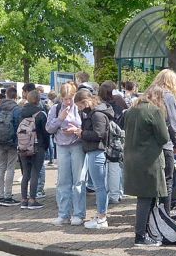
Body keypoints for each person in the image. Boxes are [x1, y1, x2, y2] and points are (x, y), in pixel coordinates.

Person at [123, 86, 170, 246]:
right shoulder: (154, 111)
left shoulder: (131, 110)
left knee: (144, 198)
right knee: (146, 198)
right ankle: (141, 236)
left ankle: (145, 233)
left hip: (132, 159)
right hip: (149, 160)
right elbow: (164, 137)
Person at [46, 82, 86, 226]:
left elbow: (85, 126)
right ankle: (63, 214)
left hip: (77, 145)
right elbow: (49, 128)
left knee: (78, 181)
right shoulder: (55, 109)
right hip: (61, 146)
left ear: (74, 95)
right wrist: (60, 119)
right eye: (65, 98)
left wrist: (76, 129)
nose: (67, 101)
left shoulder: (79, 108)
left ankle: (79, 214)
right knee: (63, 181)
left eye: (70, 98)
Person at [79, 89, 112, 229]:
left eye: (80, 106)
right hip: (95, 151)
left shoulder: (97, 115)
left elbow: (98, 134)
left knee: (99, 187)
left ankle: (102, 217)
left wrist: (81, 133)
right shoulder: (97, 113)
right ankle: (100, 216)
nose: (81, 109)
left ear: (86, 101)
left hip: (96, 151)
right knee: (100, 186)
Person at [149, 69, 176, 211]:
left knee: (151, 183)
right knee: (167, 181)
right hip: (165, 144)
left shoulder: (148, 95)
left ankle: (152, 216)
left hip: (149, 144)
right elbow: (173, 123)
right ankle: (165, 216)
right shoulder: (169, 97)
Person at [16, 89, 48, 210]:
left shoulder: (21, 112)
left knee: (26, 173)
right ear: (38, 100)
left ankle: (23, 199)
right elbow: (46, 133)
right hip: (37, 146)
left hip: (23, 146)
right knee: (35, 172)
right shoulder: (41, 114)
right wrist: (45, 147)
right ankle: (32, 200)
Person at [0, 86, 21, 207]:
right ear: (15, 96)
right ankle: (8, 196)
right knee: (10, 168)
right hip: (12, 142)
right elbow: (18, 126)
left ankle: (0, 195)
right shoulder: (17, 109)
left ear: (6, 95)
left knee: (1, 167)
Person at [99, 82, 124, 206]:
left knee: (105, 169)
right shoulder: (119, 104)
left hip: (104, 140)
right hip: (117, 139)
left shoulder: (100, 107)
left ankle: (109, 193)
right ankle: (116, 193)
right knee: (115, 167)